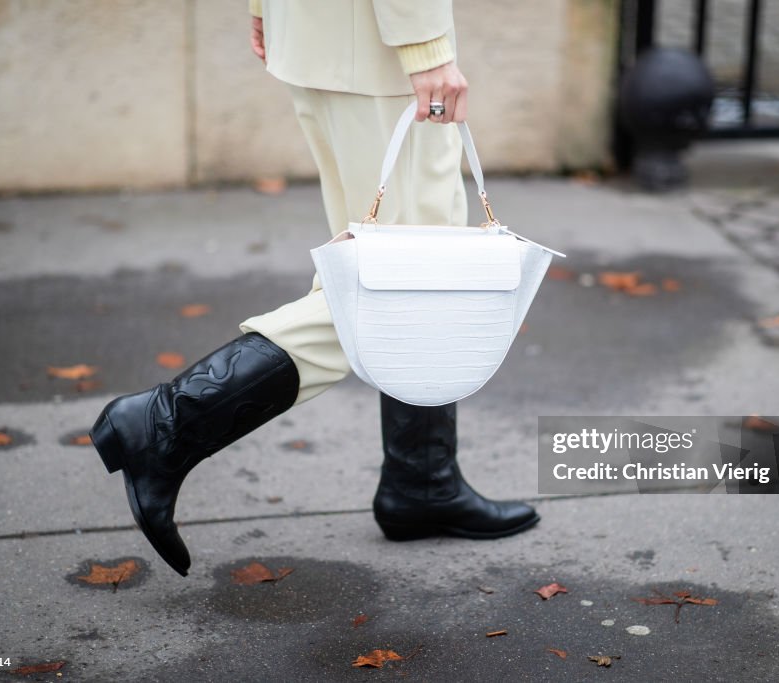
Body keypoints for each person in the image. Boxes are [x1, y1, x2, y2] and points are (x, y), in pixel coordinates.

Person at [88, 0, 539, 578]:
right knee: (414, 284)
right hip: (380, 53)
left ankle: (421, 481)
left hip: (321, 36)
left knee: (391, 274)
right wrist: (428, 48)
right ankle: (168, 422)